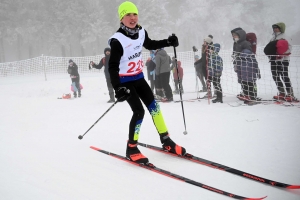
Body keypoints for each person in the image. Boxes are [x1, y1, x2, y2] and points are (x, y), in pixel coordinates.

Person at [108, 1, 186, 164]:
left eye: (134, 14)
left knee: (155, 108)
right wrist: (118, 88)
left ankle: (166, 141)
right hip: (125, 81)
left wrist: (168, 42)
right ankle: (131, 148)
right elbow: (113, 66)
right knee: (139, 112)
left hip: (139, 78)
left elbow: (150, 44)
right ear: (121, 18)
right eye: (128, 14)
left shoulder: (141, 32)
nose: (132, 17)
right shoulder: (118, 40)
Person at [266, 22, 297, 102]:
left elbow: (289, 47)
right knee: (275, 75)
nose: (275, 29)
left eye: (277, 28)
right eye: (274, 28)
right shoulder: (273, 37)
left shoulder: (285, 37)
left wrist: (281, 54)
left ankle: (290, 94)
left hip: (283, 60)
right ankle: (282, 92)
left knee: (284, 76)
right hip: (274, 59)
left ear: (281, 28)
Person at [232, 29, 260, 102]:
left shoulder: (245, 43)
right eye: (233, 35)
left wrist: (240, 55)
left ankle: (252, 95)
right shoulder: (236, 43)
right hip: (240, 63)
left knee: (249, 80)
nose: (234, 36)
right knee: (243, 80)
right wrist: (235, 62)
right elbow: (235, 53)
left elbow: (248, 52)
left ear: (240, 36)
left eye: (236, 35)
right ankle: (246, 94)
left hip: (247, 64)